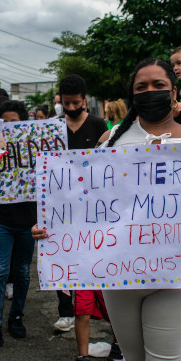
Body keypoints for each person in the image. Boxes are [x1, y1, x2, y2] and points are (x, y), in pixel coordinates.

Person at [35, 58, 181, 361]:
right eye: (141, 87)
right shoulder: (111, 141)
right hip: (121, 274)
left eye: (158, 85)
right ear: (131, 95)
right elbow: (81, 199)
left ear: (173, 91)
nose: (150, 92)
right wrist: (50, 225)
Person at [50, 74, 108, 333]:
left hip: (91, 205)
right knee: (61, 256)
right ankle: (66, 309)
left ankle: (93, 308)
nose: (71, 108)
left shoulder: (98, 124)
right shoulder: (51, 127)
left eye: (76, 103)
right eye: (66, 103)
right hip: (59, 204)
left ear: (85, 100)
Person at [0, 100, 36, 348]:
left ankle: (16, 315)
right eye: (6, 123)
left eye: (15, 123)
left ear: (23, 123)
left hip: (27, 221)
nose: (10, 127)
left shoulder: (36, 149)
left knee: (22, 272)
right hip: (1, 220)